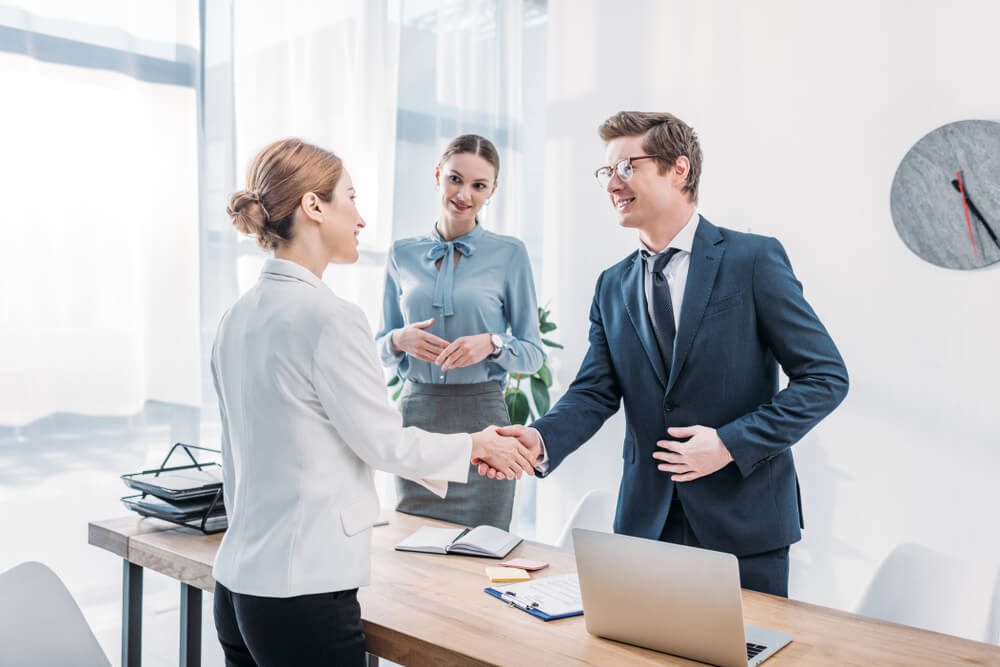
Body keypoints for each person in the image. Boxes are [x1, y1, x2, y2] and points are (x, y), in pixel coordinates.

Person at [211, 138, 534, 666]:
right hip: (303, 591)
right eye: (351, 198)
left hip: (237, 586)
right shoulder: (330, 317)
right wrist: (477, 444)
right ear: (314, 207)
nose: (361, 218)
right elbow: (383, 443)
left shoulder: (238, 315)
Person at [499, 112, 849, 597]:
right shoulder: (612, 284)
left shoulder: (753, 260)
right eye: (606, 173)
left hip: (744, 526)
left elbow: (826, 378)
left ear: (678, 169)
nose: (612, 185)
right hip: (647, 524)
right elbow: (595, 392)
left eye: (626, 168)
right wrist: (541, 439)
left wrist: (729, 443)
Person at [375, 134, 545, 530]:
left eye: (479, 185)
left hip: (484, 418)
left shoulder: (510, 254)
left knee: (482, 554)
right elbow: (378, 347)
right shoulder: (401, 253)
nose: (464, 194)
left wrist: (492, 343)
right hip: (418, 419)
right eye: (455, 179)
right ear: (438, 176)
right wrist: (399, 340)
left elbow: (532, 352)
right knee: (414, 551)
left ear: (493, 190)